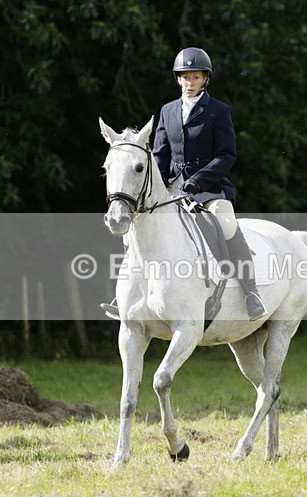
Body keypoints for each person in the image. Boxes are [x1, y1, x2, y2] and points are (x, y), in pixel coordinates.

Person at [101, 47, 267, 321]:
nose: (190, 83)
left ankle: (251, 292)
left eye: (196, 77)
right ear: (178, 79)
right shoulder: (167, 111)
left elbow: (226, 155)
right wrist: (159, 185)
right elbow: (160, 154)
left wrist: (198, 181)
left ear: (205, 80)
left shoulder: (218, 111)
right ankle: (127, 295)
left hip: (209, 188)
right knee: (136, 224)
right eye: (185, 77)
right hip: (171, 189)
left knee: (226, 222)